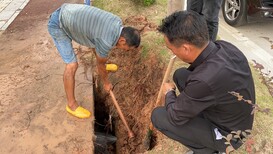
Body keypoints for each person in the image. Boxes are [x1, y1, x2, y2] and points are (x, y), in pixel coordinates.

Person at [151, 11, 255, 154]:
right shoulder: (225, 47)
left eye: (171, 49)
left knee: (158, 116)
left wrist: (169, 93)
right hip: (231, 112)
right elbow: (200, 81)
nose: (172, 53)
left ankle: (210, 150)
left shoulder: (204, 79)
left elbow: (175, 118)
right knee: (180, 74)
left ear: (186, 48)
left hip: (230, 135)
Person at [48, 3, 140, 119]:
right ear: (122, 40)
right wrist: (106, 83)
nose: (126, 51)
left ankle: (104, 69)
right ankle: (71, 105)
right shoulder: (106, 40)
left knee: (97, 44)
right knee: (72, 65)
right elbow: (100, 64)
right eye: (127, 49)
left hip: (69, 11)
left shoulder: (117, 21)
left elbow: (96, 40)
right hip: (59, 24)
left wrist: (103, 66)